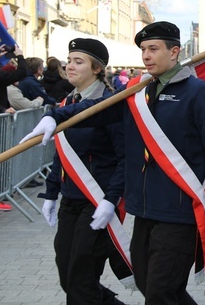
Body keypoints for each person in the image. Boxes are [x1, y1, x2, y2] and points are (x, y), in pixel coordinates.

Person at [23, 21, 205, 304]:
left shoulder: (198, 92)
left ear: (175, 51)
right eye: (143, 49)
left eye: (153, 49)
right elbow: (96, 110)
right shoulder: (137, 90)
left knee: (160, 291)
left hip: (179, 210)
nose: (146, 56)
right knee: (151, 285)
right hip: (145, 210)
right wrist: (54, 117)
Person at [34, 39, 127, 304]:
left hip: (97, 200)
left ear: (97, 68)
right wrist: (51, 193)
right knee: (67, 274)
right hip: (70, 200)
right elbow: (61, 155)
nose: (69, 66)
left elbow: (124, 158)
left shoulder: (110, 105)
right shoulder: (66, 104)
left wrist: (112, 199)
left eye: (78, 61)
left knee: (81, 278)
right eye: (69, 59)